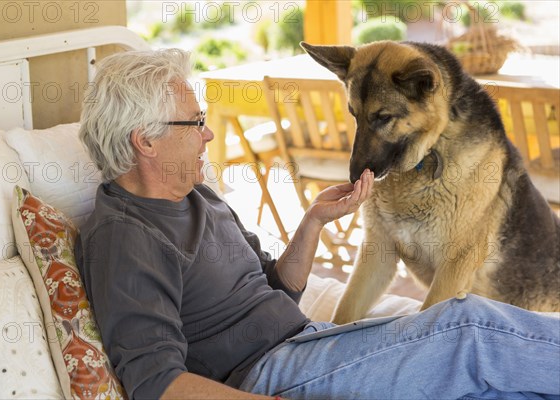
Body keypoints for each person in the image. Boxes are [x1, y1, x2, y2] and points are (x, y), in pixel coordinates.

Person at [75, 49, 560, 400]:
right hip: (271, 374)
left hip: (310, 341)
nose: (209, 133)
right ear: (146, 141)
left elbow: (275, 289)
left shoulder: (199, 196)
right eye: (194, 122)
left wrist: (312, 224)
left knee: (502, 386)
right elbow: (156, 382)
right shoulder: (125, 236)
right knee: (469, 325)